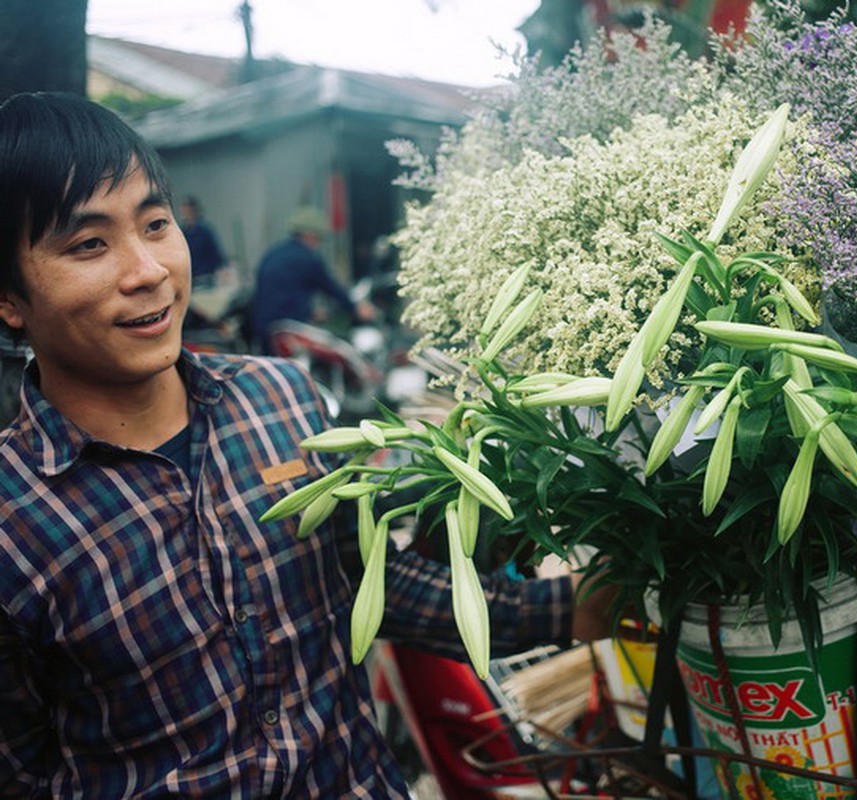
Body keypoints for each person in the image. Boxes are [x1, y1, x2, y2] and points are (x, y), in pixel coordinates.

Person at [0, 92, 613, 798]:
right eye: (89, 244)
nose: (148, 271)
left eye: (157, 224)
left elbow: (364, 586)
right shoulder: (16, 523)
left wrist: (576, 605)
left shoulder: (280, 399)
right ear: (9, 298)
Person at [250, 206, 376, 355]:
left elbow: (278, 293)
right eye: (319, 238)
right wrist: (356, 308)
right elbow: (331, 288)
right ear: (309, 235)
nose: (318, 243)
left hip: (263, 328)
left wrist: (310, 312)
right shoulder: (307, 259)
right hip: (288, 329)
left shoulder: (273, 253)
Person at [178, 195, 227, 288]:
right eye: (183, 210)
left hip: (205, 277)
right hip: (189, 278)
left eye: (187, 209)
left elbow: (217, 255)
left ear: (193, 210)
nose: (184, 213)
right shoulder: (182, 232)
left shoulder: (205, 231)